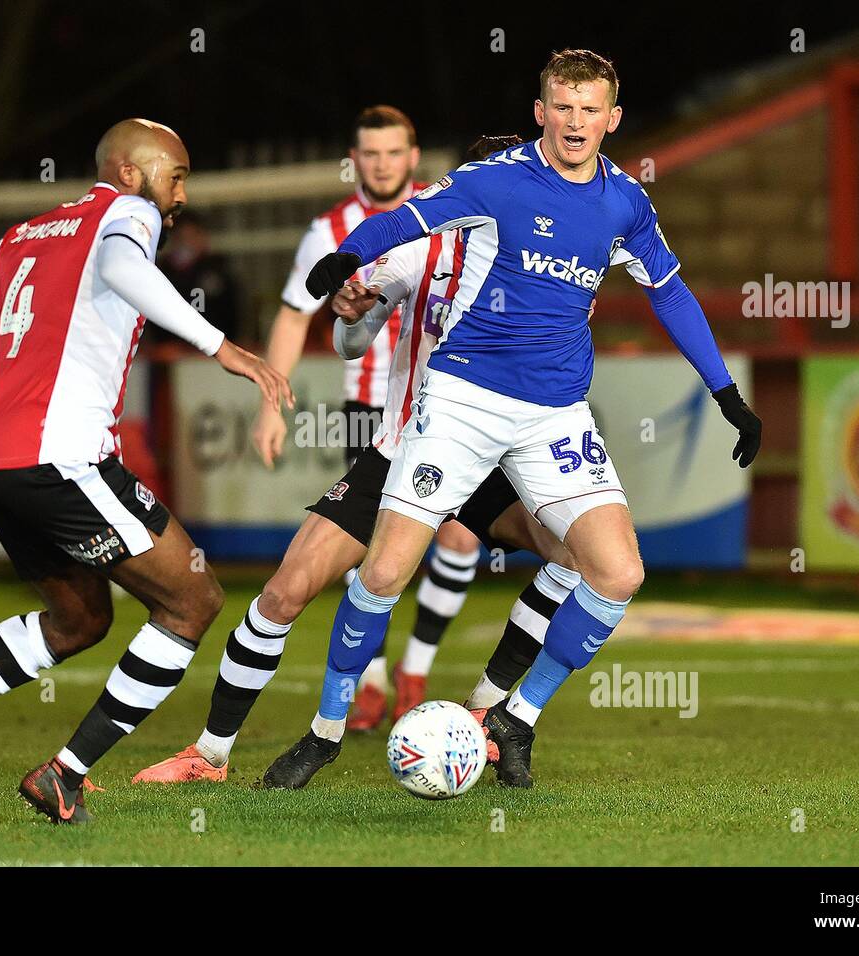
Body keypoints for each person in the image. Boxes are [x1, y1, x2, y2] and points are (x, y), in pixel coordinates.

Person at [295, 49, 762, 788]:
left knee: (617, 572)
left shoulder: (627, 203)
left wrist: (726, 395)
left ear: (612, 119)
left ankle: (516, 717)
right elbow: (410, 219)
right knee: (383, 572)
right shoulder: (498, 179)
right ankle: (323, 735)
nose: (576, 122)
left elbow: (670, 294)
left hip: (554, 413)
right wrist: (342, 260)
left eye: (591, 110)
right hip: (462, 399)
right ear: (542, 111)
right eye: (562, 107)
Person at [0, 118, 291, 823]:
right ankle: (65, 774)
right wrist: (219, 345)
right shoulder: (127, 213)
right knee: (192, 600)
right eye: (177, 175)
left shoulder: (29, 234)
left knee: (77, 621)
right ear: (132, 174)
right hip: (62, 456)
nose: (182, 195)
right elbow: (119, 269)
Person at [129, 136, 582, 789]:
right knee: (285, 591)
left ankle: (491, 713)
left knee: (575, 558)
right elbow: (353, 340)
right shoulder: (426, 248)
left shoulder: (552, 263)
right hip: (407, 447)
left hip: (495, 458)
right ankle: (212, 752)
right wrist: (351, 312)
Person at [254, 105, 483, 730]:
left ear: (412, 157)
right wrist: (271, 402)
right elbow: (295, 314)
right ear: (354, 160)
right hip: (370, 407)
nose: (381, 164)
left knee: (461, 537)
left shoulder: (448, 211)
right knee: (371, 545)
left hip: (454, 407)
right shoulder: (329, 228)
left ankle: (416, 665)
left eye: (392, 152)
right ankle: (373, 682)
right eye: (369, 154)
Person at [157, 208, 242, 342]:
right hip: (168, 355)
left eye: (192, 237)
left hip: (210, 352)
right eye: (181, 238)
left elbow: (232, 317)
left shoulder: (218, 272)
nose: (186, 244)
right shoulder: (161, 273)